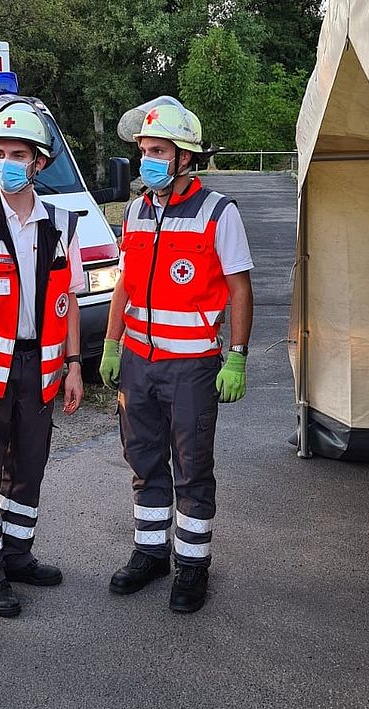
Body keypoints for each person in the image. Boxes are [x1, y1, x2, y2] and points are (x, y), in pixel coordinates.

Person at [100, 96, 254, 613]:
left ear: (185, 157)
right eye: (144, 151)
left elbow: (240, 287)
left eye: (158, 151)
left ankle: (191, 565)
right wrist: (111, 343)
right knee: (143, 460)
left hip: (191, 365)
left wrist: (238, 355)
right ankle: (150, 552)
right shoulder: (137, 209)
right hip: (138, 363)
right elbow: (124, 281)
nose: (147, 160)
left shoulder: (218, 211)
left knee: (191, 467)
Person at [0, 96, 85, 617]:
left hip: (40, 369)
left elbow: (69, 299)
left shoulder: (63, 223)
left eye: (18, 154)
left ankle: (17, 555)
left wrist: (74, 365)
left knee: (29, 468)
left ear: (39, 162)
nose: (6, 163)